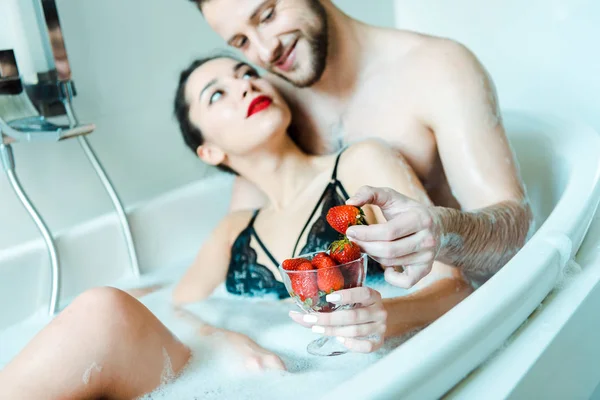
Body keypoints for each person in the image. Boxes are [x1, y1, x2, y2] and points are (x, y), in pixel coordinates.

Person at [0, 56, 472, 400]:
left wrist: (388, 318)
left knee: (101, 311)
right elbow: (177, 305)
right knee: (100, 310)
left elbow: (456, 287)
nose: (245, 86)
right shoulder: (234, 232)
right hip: (239, 376)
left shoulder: (361, 165)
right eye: (218, 94)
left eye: (246, 74)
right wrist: (224, 340)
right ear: (209, 152)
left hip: (358, 375)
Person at [190, 0, 534, 288]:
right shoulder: (269, 102)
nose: (266, 52)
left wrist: (443, 231)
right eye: (242, 42)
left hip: (463, 299)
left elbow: (516, 231)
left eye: (267, 15)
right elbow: (237, 246)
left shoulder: (437, 69)